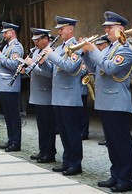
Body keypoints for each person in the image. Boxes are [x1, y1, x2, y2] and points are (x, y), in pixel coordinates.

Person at [79, 11, 132, 192]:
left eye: (110, 28)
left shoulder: (125, 49)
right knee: (112, 143)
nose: (106, 31)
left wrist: (94, 50)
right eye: (105, 27)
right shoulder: (110, 48)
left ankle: (125, 179)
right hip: (105, 101)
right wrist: (86, 54)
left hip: (117, 102)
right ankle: (116, 174)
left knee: (121, 142)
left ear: (121, 29)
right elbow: (94, 68)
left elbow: (109, 67)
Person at [43, 16, 86, 176]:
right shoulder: (60, 48)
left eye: (61, 29)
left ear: (70, 29)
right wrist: (44, 62)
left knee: (72, 132)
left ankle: (75, 164)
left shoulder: (76, 46)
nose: (59, 32)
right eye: (58, 30)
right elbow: (52, 71)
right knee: (64, 132)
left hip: (69, 96)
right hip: (59, 96)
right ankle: (67, 161)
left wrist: (52, 55)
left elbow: (69, 66)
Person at [23, 28, 57, 163]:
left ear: (46, 39)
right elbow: (35, 70)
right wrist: (25, 69)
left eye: (38, 40)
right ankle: (42, 150)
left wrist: (32, 65)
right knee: (41, 126)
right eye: (34, 40)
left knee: (48, 126)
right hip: (37, 93)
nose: (35, 43)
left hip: (46, 93)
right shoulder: (36, 51)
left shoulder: (50, 51)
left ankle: (49, 153)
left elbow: (49, 74)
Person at [0, 22, 23, 152]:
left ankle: (16, 142)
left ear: (12, 32)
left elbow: (13, 65)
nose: (4, 35)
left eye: (6, 32)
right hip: (4, 85)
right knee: (7, 115)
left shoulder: (16, 47)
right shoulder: (6, 46)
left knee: (13, 116)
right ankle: (11, 139)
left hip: (10, 85)